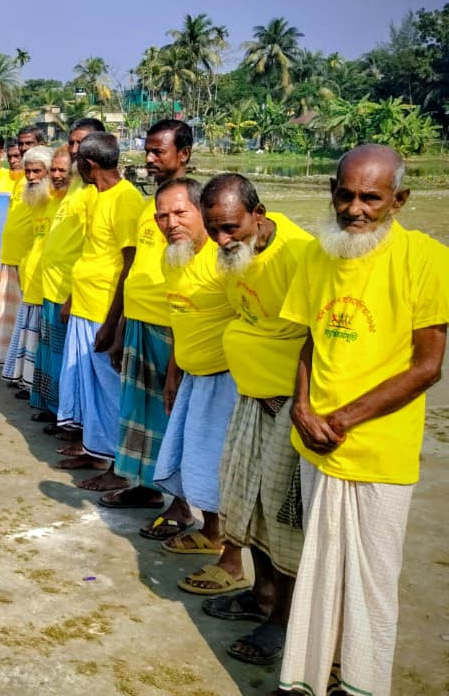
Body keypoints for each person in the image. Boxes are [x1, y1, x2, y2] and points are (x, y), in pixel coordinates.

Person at [276, 145, 447, 696]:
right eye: (345, 195)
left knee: (371, 581)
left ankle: (363, 685)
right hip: (317, 441)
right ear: (331, 190)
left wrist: (343, 418)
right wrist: (302, 407)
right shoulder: (317, 253)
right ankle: (306, 678)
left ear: (399, 200)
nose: (355, 209)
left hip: (378, 450)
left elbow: (428, 367)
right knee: (319, 568)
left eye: (370, 198)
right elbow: (308, 338)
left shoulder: (426, 259)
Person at [197, 173, 312, 666]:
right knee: (249, 507)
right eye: (214, 229)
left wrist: (300, 401)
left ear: (258, 215)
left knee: (285, 522)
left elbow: (315, 335)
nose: (222, 240)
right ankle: (260, 595)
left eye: (230, 228)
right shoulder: (232, 257)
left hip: (288, 407)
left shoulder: (300, 255)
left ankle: (284, 622)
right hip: (251, 398)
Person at [90, 120, 191, 531]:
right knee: (140, 412)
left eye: (158, 152)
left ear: (183, 153)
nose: (148, 159)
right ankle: (145, 485)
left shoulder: (193, 203)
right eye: (147, 151)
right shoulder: (150, 205)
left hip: (173, 326)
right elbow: (133, 264)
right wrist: (119, 326)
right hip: (140, 320)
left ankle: (183, 503)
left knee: (174, 416)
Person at [149, 178, 242, 593]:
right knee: (202, 465)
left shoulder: (228, 259)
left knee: (228, 470)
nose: (171, 223)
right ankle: (211, 533)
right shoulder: (175, 257)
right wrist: (173, 372)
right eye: (162, 215)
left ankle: (235, 562)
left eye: (180, 213)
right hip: (193, 377)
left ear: (203, 212)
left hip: (229, 381)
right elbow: (178, 319)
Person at [56, 131, 143, 472]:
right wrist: (72, 297)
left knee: (109, 390)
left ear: (89, 165)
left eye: (78, 161)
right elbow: (90, 252)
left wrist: (113, 323)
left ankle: (115, 465)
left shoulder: (125, 200)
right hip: (85, 303)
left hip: (104, 310)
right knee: (89, 387)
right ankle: (95, 448)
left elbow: (129, 263)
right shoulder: (95, 195)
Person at [31, 145, 80, 422]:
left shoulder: (80, 198)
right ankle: (52, 409)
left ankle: (65, 415)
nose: (57, 175)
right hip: (48, 288)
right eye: (54, 170)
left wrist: (72, 295)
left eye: (63, 170)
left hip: (67, 291)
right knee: (49, 354)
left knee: (63, 358)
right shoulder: (53, 198)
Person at [1, 145, 55, 384]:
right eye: (28, 172)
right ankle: (28, 383)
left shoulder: (57, 201)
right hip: (29, 274)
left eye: (37, 171)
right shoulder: (34, 198)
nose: (31, 177)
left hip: (49, 282)